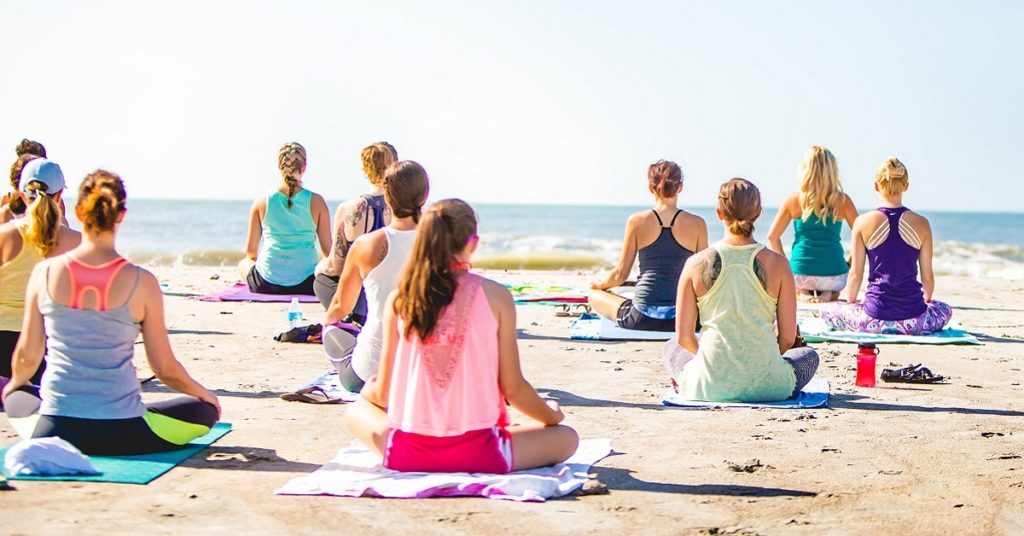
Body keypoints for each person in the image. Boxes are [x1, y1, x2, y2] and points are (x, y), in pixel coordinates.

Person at [345, 199, 578, 473]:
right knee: (567, 438)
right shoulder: (496, 296)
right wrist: (550, 414)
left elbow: (383, 393)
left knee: (356, 411)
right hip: (480, 454)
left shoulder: (400, 299)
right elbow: (513, 389)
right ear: (473, 243)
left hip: (407, 455)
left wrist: (369, 389)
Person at [1, 170, 220, 455]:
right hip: (124, 431)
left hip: (56, 430)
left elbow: (27, 357)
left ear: (78, 211)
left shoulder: (44, 272)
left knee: (17, 396)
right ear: (122, 215)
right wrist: (204, 395)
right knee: (205, 410)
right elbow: (164, 369)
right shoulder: (143, 282)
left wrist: (16, 385)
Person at [664, 178, 819, 402]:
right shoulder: (779, 264)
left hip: (706, 387)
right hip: (771, 387)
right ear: (758, 213)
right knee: (809, 356)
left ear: (719, 212)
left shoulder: (695, 264)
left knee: (670, 347)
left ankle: (691, 378)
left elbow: (683, 337)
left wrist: (712, 365)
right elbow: (787, 338)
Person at [323, 160, 428, 392]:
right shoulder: (441, 242)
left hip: (371, 374)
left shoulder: (367, 244)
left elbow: (340, 305)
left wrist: (325, 323)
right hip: (424, 372)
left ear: (387, 197)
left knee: (332, 330)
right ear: (424, 196)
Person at [821, 158, 951, 335]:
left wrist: (852, 304)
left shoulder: (862, 223)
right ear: (906, 186)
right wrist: (926, 302)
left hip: (874, 318)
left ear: (876, 186)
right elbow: (927, 277)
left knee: (827, 311)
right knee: (944, 308)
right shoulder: (922, 223)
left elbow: (856, 274)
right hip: (914, 319)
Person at [589, 160, 707, 331]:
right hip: (683, 320)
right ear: (680, 187)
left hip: (641, 317)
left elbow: (620, 275)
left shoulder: (637, 221)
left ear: (650, 188)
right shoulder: (698, 224)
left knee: (594, 295)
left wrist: (598, 286)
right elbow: (701, 278)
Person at [0, 159, 81, 385]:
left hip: (4, 344)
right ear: (59, 196)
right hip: (49, 351)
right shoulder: (77, 242)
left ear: (22, 194)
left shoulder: (3, 235)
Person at [313, 142, 397, 317]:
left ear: (366, 169)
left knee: (321, 280)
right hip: (393, 300)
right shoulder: (404, 208)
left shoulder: (348, 209)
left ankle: (348, 315)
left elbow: (336, 267)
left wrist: (319, 268)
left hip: (362, 302)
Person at [766, 146, 858, 302]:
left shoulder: (794, 200)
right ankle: (829, 293)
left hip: (800, 275)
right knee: (834, 284)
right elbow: (863, 237)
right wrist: (848, 264)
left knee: (798, 283)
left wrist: (788, 268)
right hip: (835, 276)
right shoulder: (843, 201)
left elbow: (772, 237)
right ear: (832, 171)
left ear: (804, 170)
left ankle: (803, 291)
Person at [239, 142, 331, 295]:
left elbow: (251, 252)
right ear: (304, 167)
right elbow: (328, 251)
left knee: (244, 263)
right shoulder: (317, 201)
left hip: (265, 283)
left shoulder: (262, 201)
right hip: (308, 283)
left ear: (279, 166)